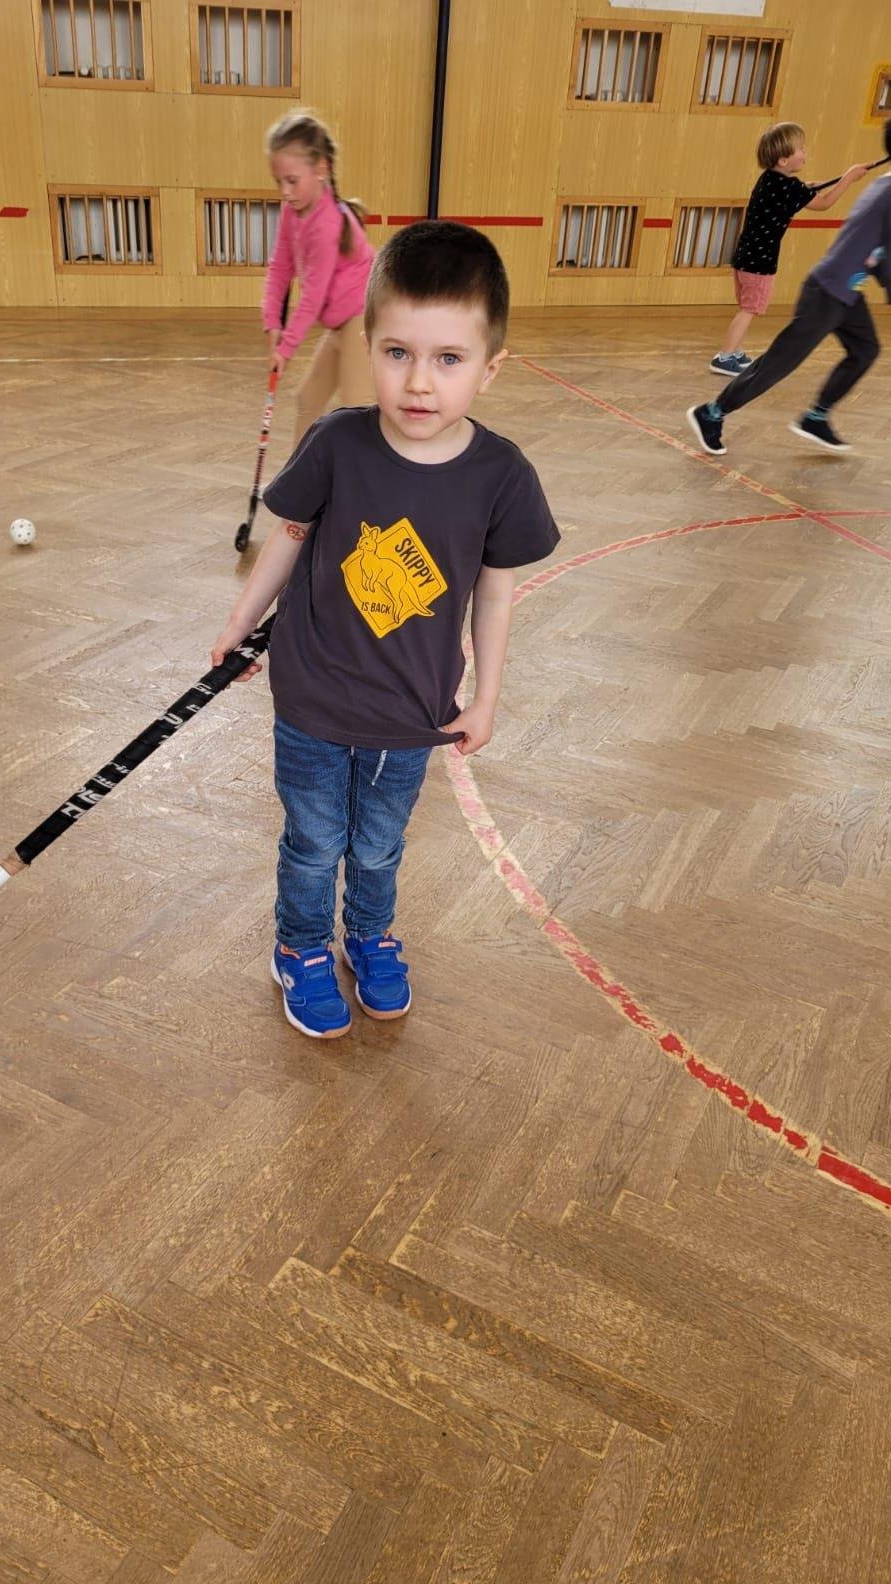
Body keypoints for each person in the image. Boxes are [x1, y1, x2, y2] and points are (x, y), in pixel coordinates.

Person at [212, 222, 560, 1039]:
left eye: (449, 359)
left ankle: (368, 935)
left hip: (413, 714)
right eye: (397, 352)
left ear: (490, 367)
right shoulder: (338, 443)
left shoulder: (502, 477)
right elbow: (287, 538)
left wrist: (486, 698)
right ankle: (301, 947)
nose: (419, 383)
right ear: (367, 345)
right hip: (313, 699)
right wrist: (239, 624)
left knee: (376, 845)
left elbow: (495, 596)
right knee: (313, 841)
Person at [688, 101, 891, 457]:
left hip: (847, 292)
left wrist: (877, 272)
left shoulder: (884, 188)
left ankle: (817, 417)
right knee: (779, 363)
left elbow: (873, 254)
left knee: (866, 349)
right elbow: (890, 262)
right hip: (828, 293)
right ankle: (712, 413)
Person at [710, 121, 869, 376]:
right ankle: (724, 357)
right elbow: (824, 203)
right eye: (801, 149)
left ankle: (735, 351)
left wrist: (809, 187)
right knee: (749, 310)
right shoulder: (790, 188)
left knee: (746, 308)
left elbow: (801, 190)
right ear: (784, 160)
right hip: (760, 263)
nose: (805, 152)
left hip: (744, 257)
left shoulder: (770, 180)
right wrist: (848, 179)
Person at [261, 109, 375, 446]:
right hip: (339, 322)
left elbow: (312, 296)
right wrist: (272, 323)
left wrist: (286, 349)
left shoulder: (327, 225)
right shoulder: (292, 211)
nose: (285, 191)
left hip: (362, 319)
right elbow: (280, 267)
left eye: (292, 180)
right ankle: (302, 476)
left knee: (358, 412)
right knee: (307, 400)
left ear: (321, 169)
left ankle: (371, 477)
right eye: (278, 182)